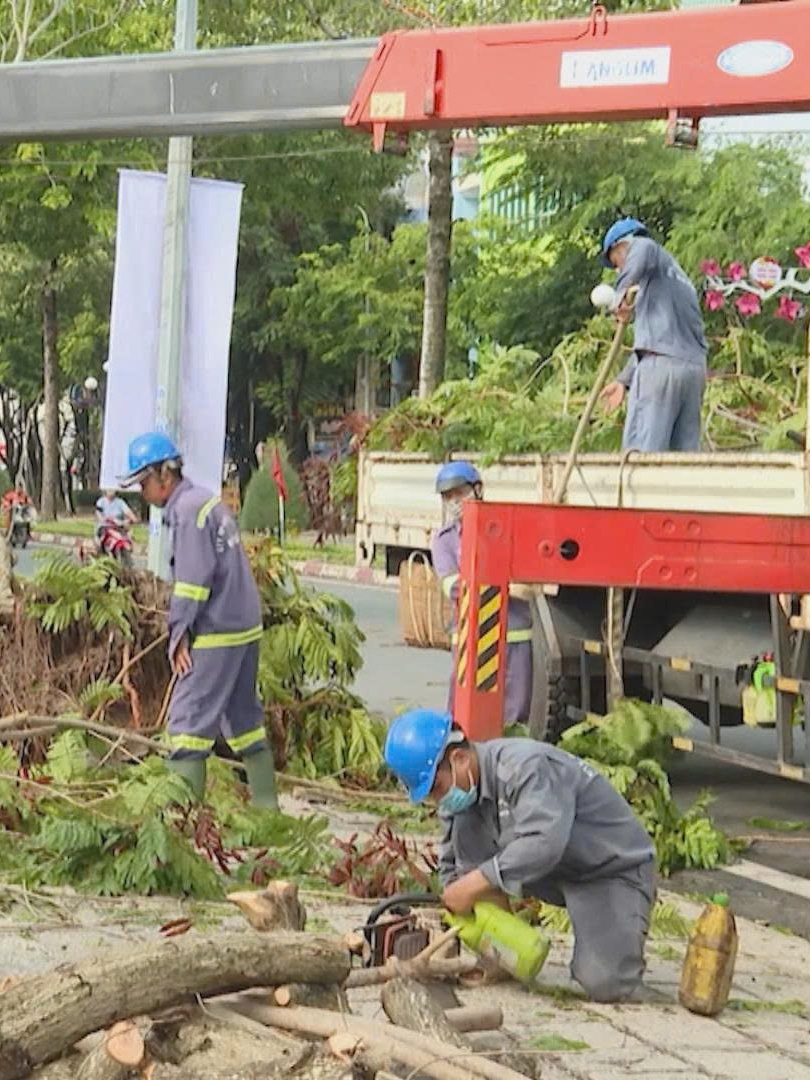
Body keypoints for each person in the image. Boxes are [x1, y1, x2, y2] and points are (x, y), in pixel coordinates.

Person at [384, 708, 656, 1002]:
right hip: (554, 871)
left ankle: (620, 931)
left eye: (437, 788)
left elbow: (544, 842)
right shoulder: (462, 796)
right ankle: (499, 956)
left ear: (459, 759)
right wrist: (455, 905)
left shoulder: (525, 767)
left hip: (608, 871)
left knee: (605, 984)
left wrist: (475, 883)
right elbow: (453, 865)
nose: (438, 800)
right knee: (468, 849)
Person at [120, 431, 278, 808]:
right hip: (244, 625)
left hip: (217, 630)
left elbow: (192, 584)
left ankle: (184, 823)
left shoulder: (187, 512)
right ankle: (268, 811)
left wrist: (178, 635)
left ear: (164, 474)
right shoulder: (203, 501)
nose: (142, 492)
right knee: (243, 721)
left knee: (188, 724)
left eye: (143, 481)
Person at [431, 462, 533, 724]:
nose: (454, 501)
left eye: (459, 492)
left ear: (477, 490)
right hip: (469, 635)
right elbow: (453, 586)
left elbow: (528, 582)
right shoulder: (444, 540)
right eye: (448, 496)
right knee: (463, 712)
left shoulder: (505, 527)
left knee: (516, 709)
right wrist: (501, 587)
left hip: (514, 634)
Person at [598, 217, 707, 452]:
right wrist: (623, 381)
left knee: (642, 456)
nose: (619, 269)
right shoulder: (674, 278)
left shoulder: (644, 247)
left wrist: (618, 297)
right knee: (684, 461)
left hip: (660, 372)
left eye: (616, 261)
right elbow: (659, 341)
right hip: (693, 374)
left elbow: (641, 247)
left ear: (621, 245)